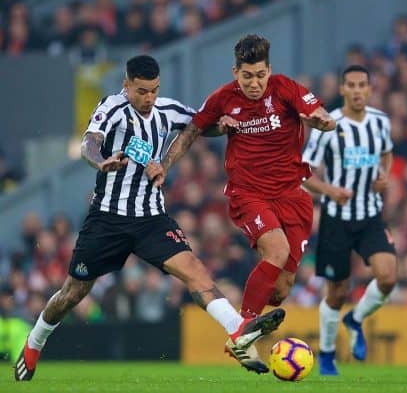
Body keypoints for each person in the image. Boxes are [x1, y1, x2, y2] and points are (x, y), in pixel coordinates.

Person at [14, 55, 285, 381]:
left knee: (195, 271)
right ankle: (36, 340)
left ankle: (238, 328)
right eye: (142, 91)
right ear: (126, 85)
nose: (149, 98)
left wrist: (221, 126)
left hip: (151, 219)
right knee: (74, 292)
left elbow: (199, 125)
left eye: (154, 91)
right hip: (108, 219)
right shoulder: (111, 107)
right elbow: (90, 142)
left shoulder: (167, 110)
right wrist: (100, 162)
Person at [145, 34, 336, 366]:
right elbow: (192, 131)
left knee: (279, 292)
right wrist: (165, 164)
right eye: (247, 76)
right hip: (249, 194)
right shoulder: (223, 98)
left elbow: (319, 112)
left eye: (260, 75)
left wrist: (323, 121)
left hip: (292, 196)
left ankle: (248, 316)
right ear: (236, 72)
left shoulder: (285, 88)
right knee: (277, 250)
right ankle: (242, 331)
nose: (254, 83)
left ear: (269, 70)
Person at [301, 65, 397, 375]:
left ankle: (355, 319)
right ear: (342, 89)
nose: (357, 90)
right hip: (336, 218)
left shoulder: (380, 122)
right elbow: (303, 172)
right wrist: (329, 189)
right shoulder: (328, 124)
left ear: (370, 89)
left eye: (362, 85)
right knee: (338, 292)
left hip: (370, 214)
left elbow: (386, 154)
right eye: (351, 85)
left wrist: (383, 176)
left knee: (388, 277)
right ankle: (327, 354)